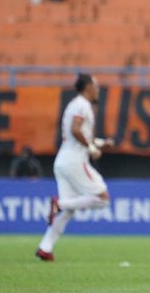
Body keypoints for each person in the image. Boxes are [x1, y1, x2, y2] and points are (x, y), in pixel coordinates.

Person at [35, 74, 114, 262]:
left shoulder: (75, 104)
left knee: (68, 209)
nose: (98, 90)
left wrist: (101, 143)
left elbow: (81, 134)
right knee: (103, 198)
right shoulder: (82, 105)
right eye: (95, 86)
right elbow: (75, 130)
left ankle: (45, 248)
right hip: (74, 161)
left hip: (63, 161)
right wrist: (92, 148)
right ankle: (58, 204)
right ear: (87, 87)